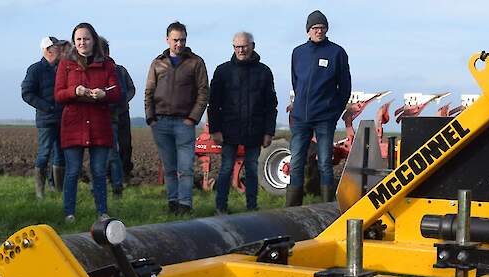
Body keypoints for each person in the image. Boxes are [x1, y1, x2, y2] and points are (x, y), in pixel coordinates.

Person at [54, 22, 120, 223]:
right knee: (72, 171)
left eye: (86, 38)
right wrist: (75, 91)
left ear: (94, 40)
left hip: (99, 124)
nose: (82, 42)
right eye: (79, 39)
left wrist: (103, 94)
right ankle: (69, 213)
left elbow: (116, 91)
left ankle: (102, 212)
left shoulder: (107, 64)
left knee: (99, 171)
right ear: (74, 41)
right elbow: (58, 94)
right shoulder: (65, 64)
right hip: (74, 123)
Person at [287, 10, 351, 207]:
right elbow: (296, 82)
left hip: (324, 118)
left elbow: (345, 87)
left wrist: (334, 111)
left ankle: (327, 208)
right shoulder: (298, 53)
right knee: (296, 162)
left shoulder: (336, 53)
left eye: (322, 28)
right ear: (308, 31)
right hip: (300, 118)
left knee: (325, 163)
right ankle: (293, 208)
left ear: (326, 30)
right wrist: (297, 106)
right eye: (315, 28)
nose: (319, 31)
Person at [208, 31, 277, 215]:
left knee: (252, 169)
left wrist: (269, 131)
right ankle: (220, 208)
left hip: (255, 129)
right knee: (226, 169)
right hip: (229, 129)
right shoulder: (222, 71)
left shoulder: (264, 72)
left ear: (252, 46)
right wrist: (215, 130)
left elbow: (271, 104)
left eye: (244, 46)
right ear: (233, 48)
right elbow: (213, 104)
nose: (241, 50)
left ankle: (252, 208)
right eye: (237, 47)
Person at [144, 21, 209, 215]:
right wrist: (150, 118)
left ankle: (185, 205)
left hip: (184, 123)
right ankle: (172, 203)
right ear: (167, 40)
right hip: (161, 122)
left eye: (182, 40)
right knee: (169, 167)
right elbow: (149, 91)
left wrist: (193, 118)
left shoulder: (195, 62)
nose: (179, 44)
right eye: (175, 40)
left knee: (186, 168)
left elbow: (203, 92)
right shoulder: (157, 63)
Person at [21, 35, 67, 199]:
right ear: (48, 50)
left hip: (63, 119)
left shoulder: (62, 68)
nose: (61, 50)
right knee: (44, 153)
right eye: (57, 47)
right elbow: (26, 93)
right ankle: (40, 193)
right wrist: (47, 107)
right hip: (46, 120)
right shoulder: (35, 69)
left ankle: (58, 190)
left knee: (60, 154)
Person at [102, 38, 135, 196]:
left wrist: (123, 100)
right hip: (106, 115)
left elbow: (131, 89)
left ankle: (125, 175)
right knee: (110, 151)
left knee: (125, 146)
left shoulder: (120, 70)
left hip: (123, 113)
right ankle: (112, 179)